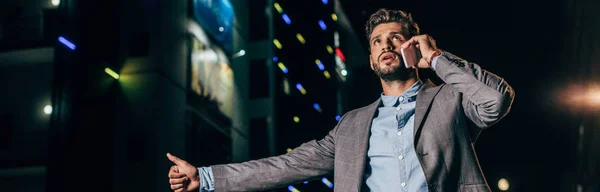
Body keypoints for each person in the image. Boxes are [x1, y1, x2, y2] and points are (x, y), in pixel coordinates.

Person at [167, 8, 515, 192]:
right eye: (378, 42)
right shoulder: (351, 125)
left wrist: (437, 58)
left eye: (396, 38)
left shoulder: (450, 99)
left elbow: (496, 101)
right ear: (370, 57)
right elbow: (287, 166)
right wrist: (207, 178)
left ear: (413, 45)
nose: (386, 46)